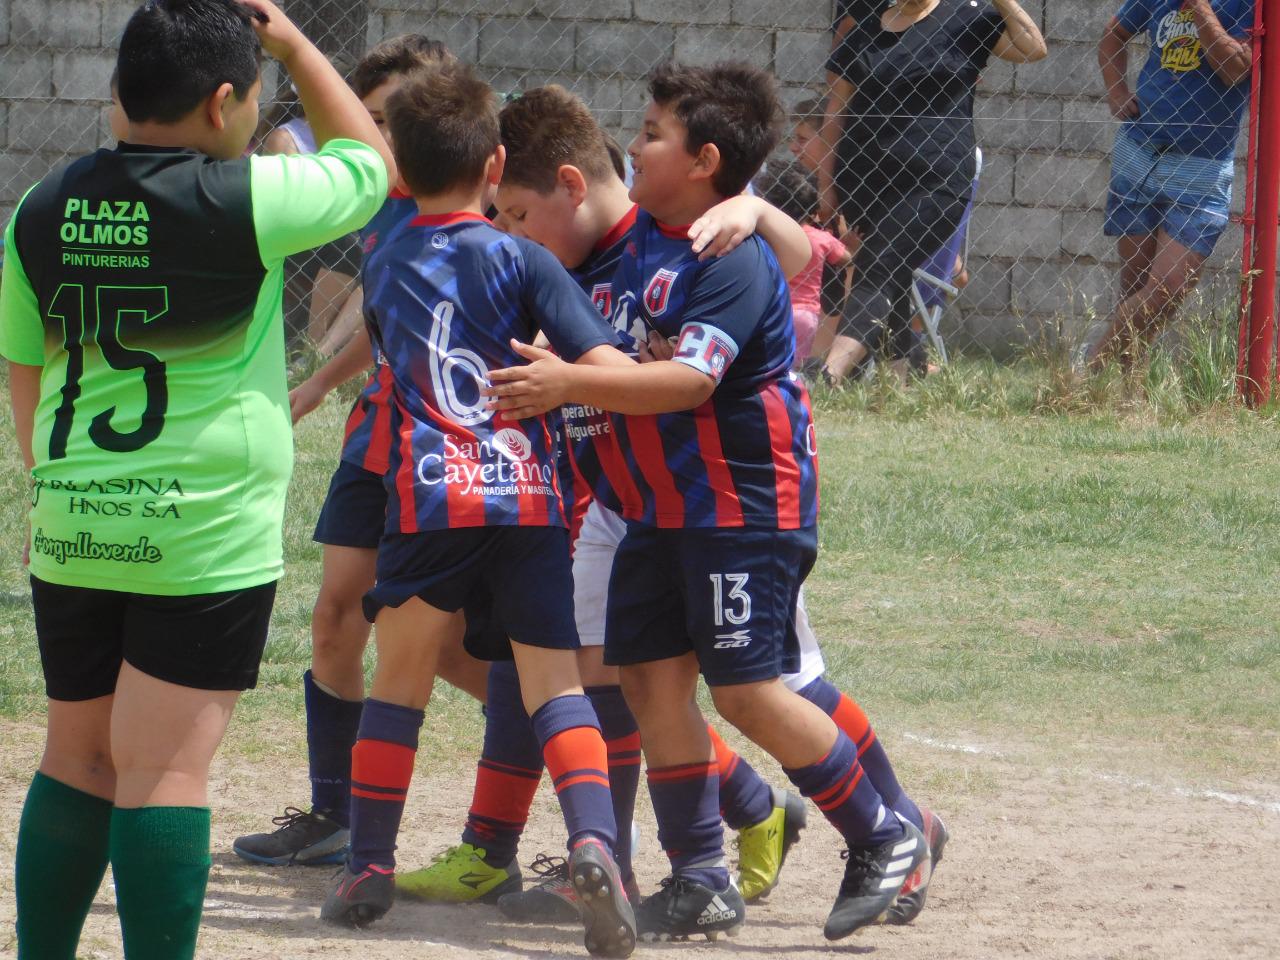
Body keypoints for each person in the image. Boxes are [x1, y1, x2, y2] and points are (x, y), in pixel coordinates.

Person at [485, 60, 931, 943]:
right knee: (651, 686)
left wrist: (568, 380)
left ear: (704, 160)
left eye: (652, 134)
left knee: (750, 692)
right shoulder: (625, 245)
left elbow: (691, 381)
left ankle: (885, 832)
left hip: (739, 509)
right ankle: (700, 877)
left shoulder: (726, 254)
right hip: (654, 513)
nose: (634, 146)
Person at [0, 1, 393, 957]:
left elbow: (25, 374)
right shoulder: (249, 196)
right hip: (199, 535)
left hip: (76, 522)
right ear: (225, 103)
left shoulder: (40, 204)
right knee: (164, 773)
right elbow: (370, 165)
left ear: (117, 95)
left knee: (76, 757)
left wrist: (62, 490)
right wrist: (292, 42)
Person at [407, 83, 816, 917]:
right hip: (596, 497)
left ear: (565, 185)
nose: (510, 234)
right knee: (566, 676)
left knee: (641, 683)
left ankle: (595, 860)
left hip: (691, 506)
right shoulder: (555, 254)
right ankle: (731, 813)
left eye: (518, 215)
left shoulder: (661, 241)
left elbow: (784, 270)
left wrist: (756, 209)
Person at [316, 60, 641, 960]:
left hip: (432, 499)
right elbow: (604, 370)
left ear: (402, 170)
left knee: (399, 681)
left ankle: (368, 866)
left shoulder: (384, 263)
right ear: (497, 166)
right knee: (556, 686)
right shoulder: (524, 258)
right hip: (528, 500)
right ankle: (594, 845)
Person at [229, 32, 492, 873]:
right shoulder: (376, 201)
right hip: (376, 436)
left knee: (448, 646)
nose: (382, 138)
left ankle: (567, 725)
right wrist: (317, 383)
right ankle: (333, 815)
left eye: (395, 121)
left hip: (453, 453)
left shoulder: (478, 210)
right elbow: (386, 320)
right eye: (372, 121)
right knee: (336, 615)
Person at [817, 0, 1046, 384]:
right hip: (866, 182)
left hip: (936, 181)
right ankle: (905, 375)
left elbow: (1033, 49)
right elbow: (836, 110)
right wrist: (827, 186)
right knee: (891, 270)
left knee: (878, 264)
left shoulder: (967, 18)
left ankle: (830, 373)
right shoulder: (866, 29)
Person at [1084, 0, 1253, 371]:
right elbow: (1114, 34)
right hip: (1139, 152)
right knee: (1135, 286)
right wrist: (1116, 91)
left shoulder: (1253, 5)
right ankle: (1127, 387)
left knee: (1167, 289)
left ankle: (1088, 369)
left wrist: (1198, 6)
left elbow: (1235, 70)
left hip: (1202, 167)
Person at [753, 158, 853, 364]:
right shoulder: (821, 239)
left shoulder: (769, 236)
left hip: (773, 310)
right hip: (806, 313)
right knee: (796, 364)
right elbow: (847, 259)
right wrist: (850, 242)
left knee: (770, 361)